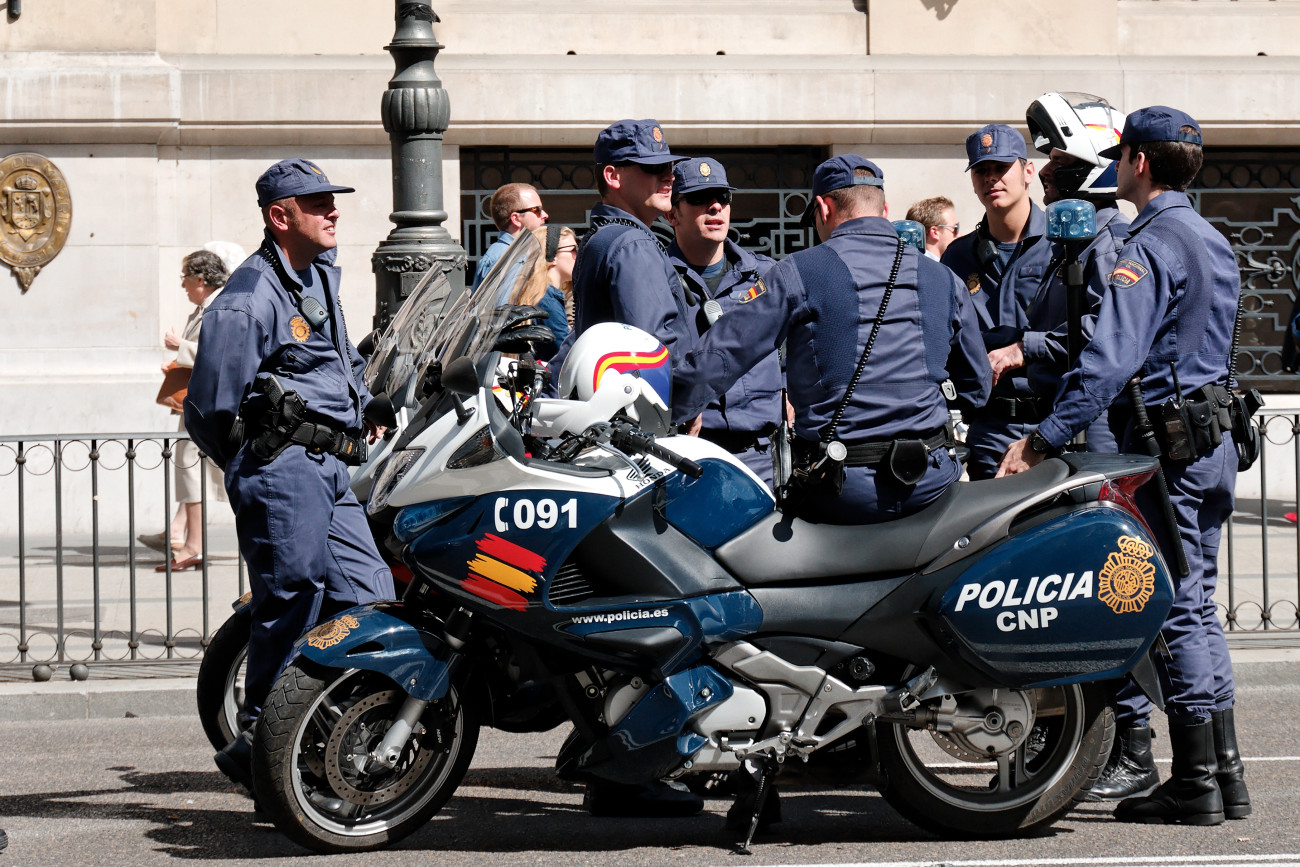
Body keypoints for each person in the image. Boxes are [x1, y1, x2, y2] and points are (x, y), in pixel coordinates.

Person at [997, 107, 1247, 826]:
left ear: (1136, 161)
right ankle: (1224, 774)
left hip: (1172, 443)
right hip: (1209, 436)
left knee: (1173, 606)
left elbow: (1108, 360)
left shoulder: (1152, 241)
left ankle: (1195, 779)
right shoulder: (1206, 233)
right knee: (1199, 602)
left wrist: (1042, 438)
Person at [185, 158, 395, 791]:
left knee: (368, 595)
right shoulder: (248, 298)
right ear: (281, 217)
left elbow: (330, 363)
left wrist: (366, 401)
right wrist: (260, 464)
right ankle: (263, 752)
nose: (333, 211)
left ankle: (316, 728)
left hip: (331, 465)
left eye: (333, 200)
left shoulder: (315, 275)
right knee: (292, 600)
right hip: (286, 468)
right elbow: (211, 409)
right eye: (317, 203)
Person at [673, 155, 991, 524]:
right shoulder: (943, 279)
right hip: (932, 484)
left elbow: (721, 357)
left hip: (842, 491)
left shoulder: (799, 271)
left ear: (823, 208)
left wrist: (663, 408)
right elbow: (978, 388)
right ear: (883, 208)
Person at [941, 124, 1056, 479]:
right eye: (982, 170)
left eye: (1001, 168)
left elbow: (1094, 332)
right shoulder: (958, 257)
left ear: (1028, 171)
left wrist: (1026, 347)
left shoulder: (1064, 244)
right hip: (989, 427)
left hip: (1058, 427)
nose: (992, 179)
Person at [665, 157, 783, 486]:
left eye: (723, 197)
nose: (716, 206)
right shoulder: (657, 279)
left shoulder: (767, 275)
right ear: (673, 214)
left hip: (763, 458)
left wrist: (795, 399)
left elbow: (800, 346)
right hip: (689, 457)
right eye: (700, 199)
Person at [561, 119, 689, 365]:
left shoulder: (606, 236)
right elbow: (654, 354)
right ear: (613, 176)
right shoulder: (632, 244)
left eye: (669, 166)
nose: (669, 177)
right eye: (654, 167)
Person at [141, 250, 231, 572]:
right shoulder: (206, 307)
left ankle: (193, 545)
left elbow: (220, 353)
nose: (182, 285)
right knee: (191, 471)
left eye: (185, 278)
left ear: (200, 279)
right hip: (198, 405)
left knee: (191, 469)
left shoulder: (219, 306)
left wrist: (180, 346)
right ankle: (190, 541)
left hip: (206, 407)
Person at [508, 224, 578, 353]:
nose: (577, 255)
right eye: (573, 249)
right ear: (553, 256)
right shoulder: (548, 300)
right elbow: (565, 353)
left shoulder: (541, 294)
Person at [472, 183, 548, 290]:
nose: (545, 215)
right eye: (537, 210)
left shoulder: (514, 253)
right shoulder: (509, 259)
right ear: (516, 219)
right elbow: (504, 306)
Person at [905, 196, 960, 261]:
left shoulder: (909, 262)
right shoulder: (934, 269)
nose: (960, 235)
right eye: (955, 228)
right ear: (935, 232)